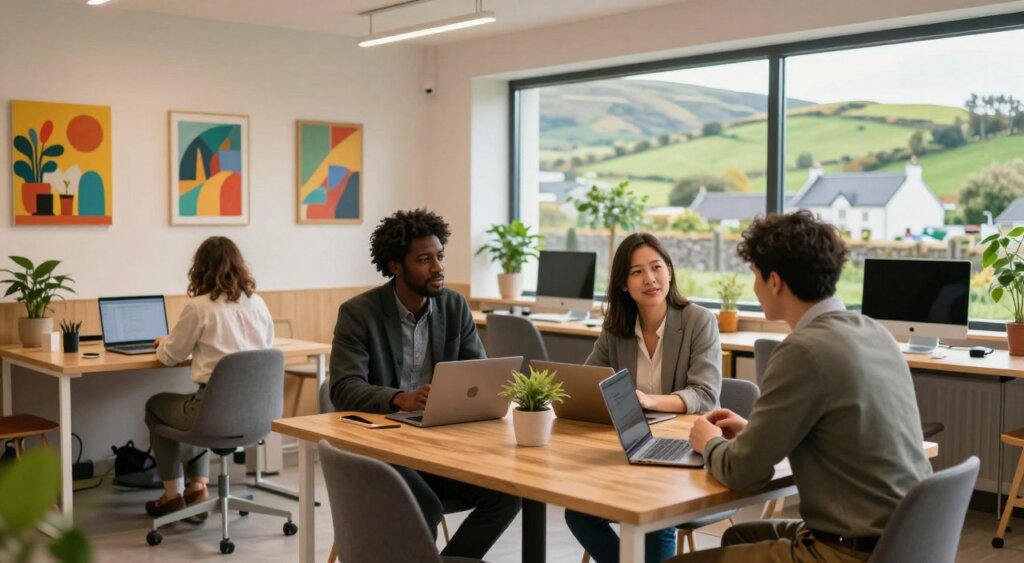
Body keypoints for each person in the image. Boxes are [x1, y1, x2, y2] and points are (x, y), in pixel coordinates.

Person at [671, 210, 932, 562]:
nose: (754, 286)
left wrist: (709, 442)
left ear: (774, 281)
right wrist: (755, 433)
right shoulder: (873, 331)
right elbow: (841, 433)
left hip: (848, 551)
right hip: (904, 539)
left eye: (754, 275)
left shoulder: (804, 350)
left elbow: (742, 473)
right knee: (738, 535)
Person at [329, 208, 521, 559]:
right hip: (381, 449)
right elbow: (343, 388)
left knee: (508, 494)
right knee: (425, 508)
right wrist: (401, 399)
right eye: (424, 259)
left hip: (438, 444)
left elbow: (477, 372)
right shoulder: (359, 313)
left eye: (440, 256)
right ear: (395, 266)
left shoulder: (454, 306)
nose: (438, 267)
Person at [566, 232, 723, 563]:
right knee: (578, 513)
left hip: (685, 452)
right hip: (632, 449)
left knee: (655, 517)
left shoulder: (699, 321)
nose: (649, 279)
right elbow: (590, 380)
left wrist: (650, 401)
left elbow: (705, 396)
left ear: (669, 271)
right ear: (624, 284)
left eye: (656, 267)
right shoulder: (616, 328)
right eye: (637, 272)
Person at [144, 236, 274, 518]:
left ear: (199, 269)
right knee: (193, 408)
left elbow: (170, 357)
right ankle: (198, 488)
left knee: (156, 405)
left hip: (212, 412)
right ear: (240, 267)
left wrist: (165, 342)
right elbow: (265, 349)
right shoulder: (258, 304)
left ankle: (172, 495)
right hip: (256, 414)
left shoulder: (198, 307)